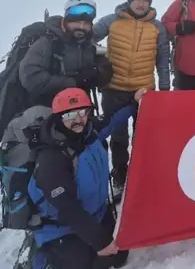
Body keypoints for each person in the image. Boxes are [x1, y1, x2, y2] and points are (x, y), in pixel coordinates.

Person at [28, 87, 143, 269]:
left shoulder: (90, 132)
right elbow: (67, 208)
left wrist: (135, 101)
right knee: (90, 264)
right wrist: (100, 241)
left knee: (119, 255)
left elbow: (114, 119)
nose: (78, 120)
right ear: (58, 117)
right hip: (61, 227)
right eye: (69, 115)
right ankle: (43, 257)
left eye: (82, 112)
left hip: (96, 213)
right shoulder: (52, 158)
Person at [91, 0, 171, 201]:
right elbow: (84, 40)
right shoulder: (111, 21)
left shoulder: (157, 27)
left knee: (144, 137)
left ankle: (143, 177)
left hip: (144, 91)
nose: (141, 3)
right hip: (113, 90)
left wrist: (164, 90)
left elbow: (163, 60)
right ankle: (120, 177)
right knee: (118, 138)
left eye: (145, 0)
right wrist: (98, 59)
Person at [19, 0, 113, 107]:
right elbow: (31, 78)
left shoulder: (87, 45)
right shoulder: (47, 42)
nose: (81, 27)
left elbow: (103, 73)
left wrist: (99, 72)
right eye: (77, 23)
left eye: (86, 24)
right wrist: (74, 82)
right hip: (47, 111)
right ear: (66, 21)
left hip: (80, 110)